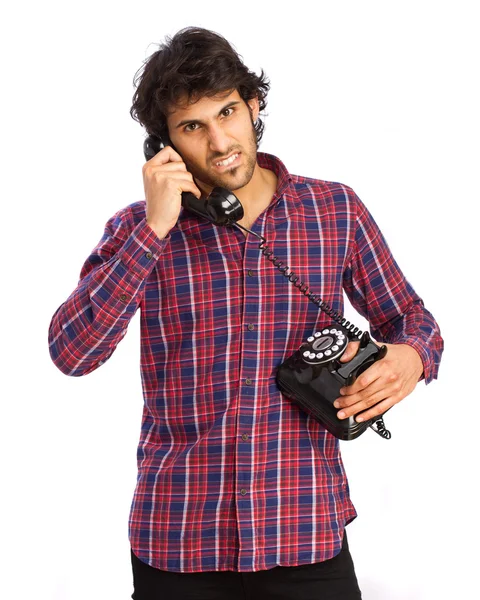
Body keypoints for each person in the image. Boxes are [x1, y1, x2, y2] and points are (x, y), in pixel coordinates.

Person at [48, 26, 444, 600]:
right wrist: (155, 228)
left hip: (305, 535)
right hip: (179, 543)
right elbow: (71, 353)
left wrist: (411, 358)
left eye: (228, 112)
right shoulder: (138, 229)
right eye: (192, 127)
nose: (219, 141)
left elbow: (412, 318)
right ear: (166, 147)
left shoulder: (333, 211)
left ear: (254, 105)